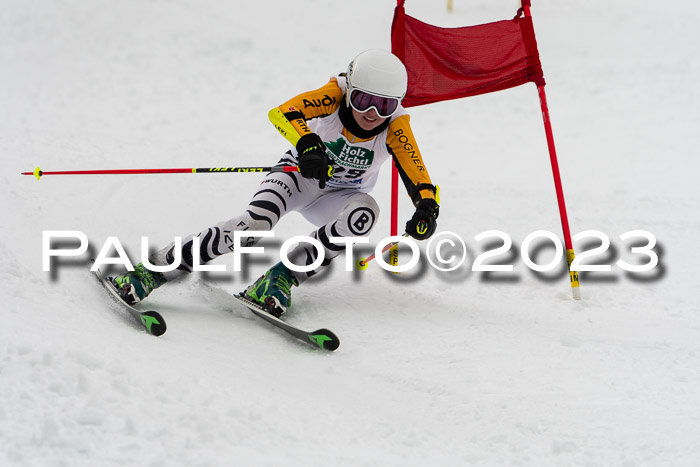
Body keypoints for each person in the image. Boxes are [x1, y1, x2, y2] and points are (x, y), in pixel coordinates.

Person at [112, 49, 440, 317]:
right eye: (362, 100)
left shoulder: (395, 126)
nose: (372, 112)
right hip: (297, 177)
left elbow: (415, 169)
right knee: (252, 226)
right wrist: (307, 143)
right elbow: (283, 112)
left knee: (363, 215)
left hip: (341, 196)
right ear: (349, 90)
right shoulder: (333, 96)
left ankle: (280, 278)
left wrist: (426, 206)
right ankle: (152, 271)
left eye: (385, 104)